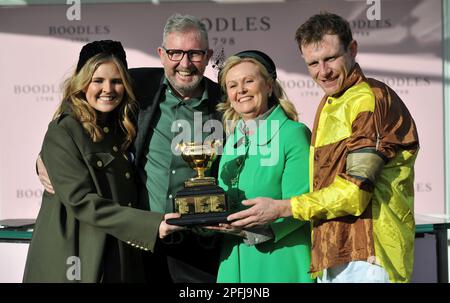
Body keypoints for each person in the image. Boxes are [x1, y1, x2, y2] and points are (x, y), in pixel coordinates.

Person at [227, 12, 419, 283]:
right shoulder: (332, 101)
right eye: (313, 63)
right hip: (333, 255)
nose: (323, 71)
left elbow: (355, 192)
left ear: (352, 50)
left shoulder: (369, 100)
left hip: (370, 255)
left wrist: (282, 208)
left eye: (330, 59)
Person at [37, 14, 222, 283]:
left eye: (194, 53)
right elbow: (76, 114)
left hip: (197, 250)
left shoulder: (226, 101)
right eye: (175, 53)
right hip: (137, 245)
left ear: (207, 56)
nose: (184, 63)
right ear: (161, 54)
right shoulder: (141, 87)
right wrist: (45, 159)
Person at [24, 40, 183, 283]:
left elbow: (170, 76)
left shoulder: (122, 126)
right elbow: (81, 201)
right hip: (76, 258)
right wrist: (151, 226)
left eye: (117, 81)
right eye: (98, 80)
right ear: (82, 82)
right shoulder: (64, 130)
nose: (108, 88)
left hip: (119, 253)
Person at [207, 50, 313, 283]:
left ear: (268, 86)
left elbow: (304, 205)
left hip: (280, 263)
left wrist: (251, 231)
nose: (240, 90)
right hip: (232, 262)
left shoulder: (293, 134)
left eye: (249, 81)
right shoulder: (232, 139)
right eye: (232, 85)